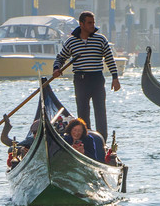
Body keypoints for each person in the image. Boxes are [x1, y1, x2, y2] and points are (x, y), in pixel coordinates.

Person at [51, 11, 122, 141]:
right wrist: (56, 68)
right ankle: (85, 140)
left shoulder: (100, 39)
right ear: (81, 24)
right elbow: (60, 57)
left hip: (97, 79)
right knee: (83, 112)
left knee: (100, 111)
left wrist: (115, 78)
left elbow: (109, 59)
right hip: (81, 80)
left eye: (93, 23)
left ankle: (102, 141)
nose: (92, 25)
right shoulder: (71, 41)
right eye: (89, 23)